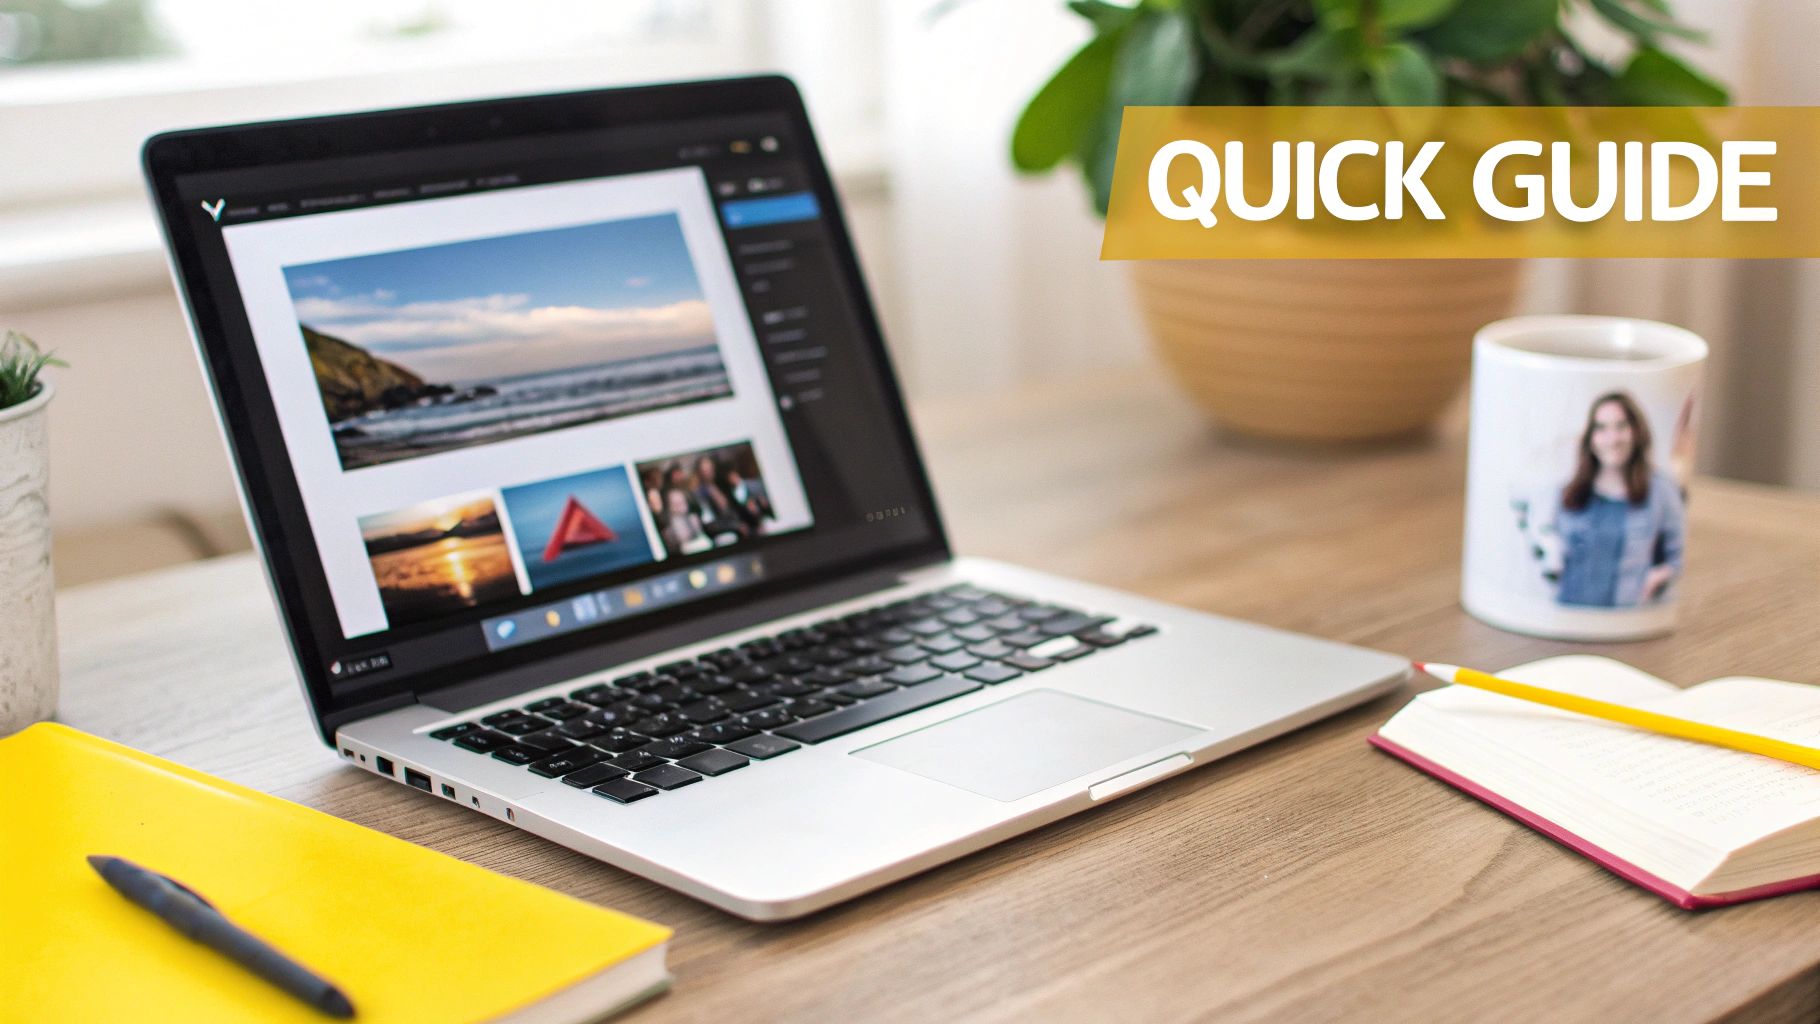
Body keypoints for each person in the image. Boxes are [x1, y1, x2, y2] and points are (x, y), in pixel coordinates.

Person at [1553, 391, 1686, 607]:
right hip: (1568, 611)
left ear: (1636, 431)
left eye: (1621, 426)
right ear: (1590, 437)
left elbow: (1677, 558)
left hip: (1624, 616)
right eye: (1601, 428)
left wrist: (1655, 580)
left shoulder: (1661, 489)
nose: (1612, 439)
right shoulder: (1570, 490)